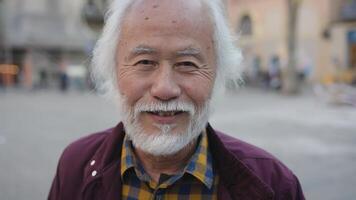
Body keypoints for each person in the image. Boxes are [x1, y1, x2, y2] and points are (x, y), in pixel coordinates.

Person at [48, 0, 305, 199]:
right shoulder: (76, 166)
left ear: (218, 74)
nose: (165, 89)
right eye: (145, 62)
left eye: (186, 64)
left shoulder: (274, 185)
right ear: (113, 70)